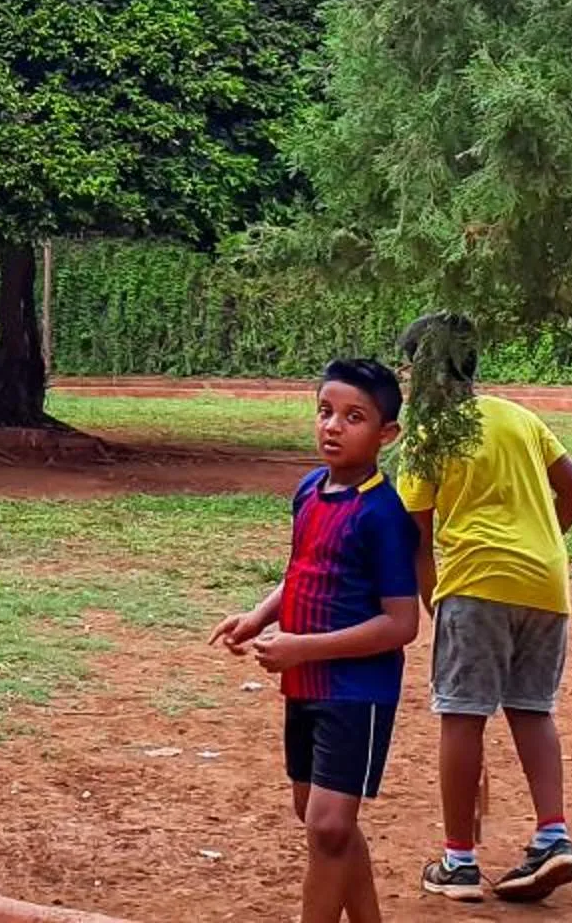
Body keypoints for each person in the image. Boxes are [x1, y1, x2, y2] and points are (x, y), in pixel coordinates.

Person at [213, 357, 421, 923]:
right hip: (305, 684)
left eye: (353, 417)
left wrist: (302, 646)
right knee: (317, 815)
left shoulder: (384, 515)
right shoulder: (309, 490)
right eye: (325, 412)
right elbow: (303, 571)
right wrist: (258, 616)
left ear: (386, 435)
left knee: (329, 827)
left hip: (359, 690)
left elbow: (401, 624)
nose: (333, 426)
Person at [396, 313, 572, 905]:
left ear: (423, 373)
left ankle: (458, 861)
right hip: (546, 585)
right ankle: (553, 837)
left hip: (476, 585)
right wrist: (543, 545)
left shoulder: (428, 438)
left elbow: (418, 538)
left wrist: (436, 602)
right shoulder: (522, 417)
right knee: (533, 709)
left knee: (461, 714)